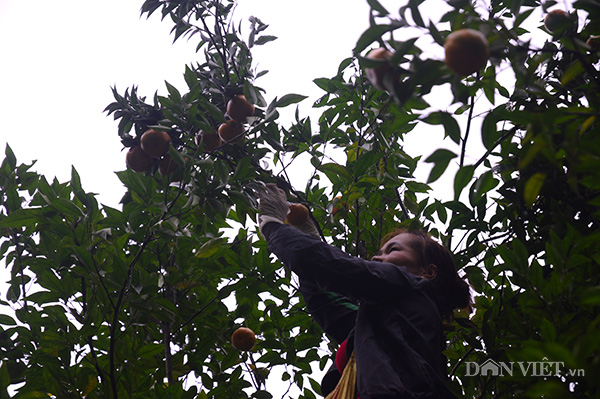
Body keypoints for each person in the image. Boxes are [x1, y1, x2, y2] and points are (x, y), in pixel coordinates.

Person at [258, 183, 472, 399]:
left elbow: (324, 264)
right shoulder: (377, 323)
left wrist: (273, 225)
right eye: (379, 253)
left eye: (393, 249)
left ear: (427, 272)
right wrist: (309, 237)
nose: (376, 258)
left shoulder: (413, 286)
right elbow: (325, 301)